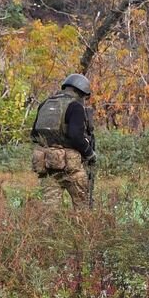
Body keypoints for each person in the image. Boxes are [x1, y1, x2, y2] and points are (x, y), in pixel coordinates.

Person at [30, 73, 96, 208]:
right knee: (82, 209)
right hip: (72, 168)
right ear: (81, 92)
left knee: (49, 211)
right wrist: (89, 153)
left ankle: (48, 230)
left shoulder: (45, 104)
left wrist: (52, 146)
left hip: (49, 166)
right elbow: (76, 136)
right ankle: (83, 230)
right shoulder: (75, 106)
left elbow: (34, 135)